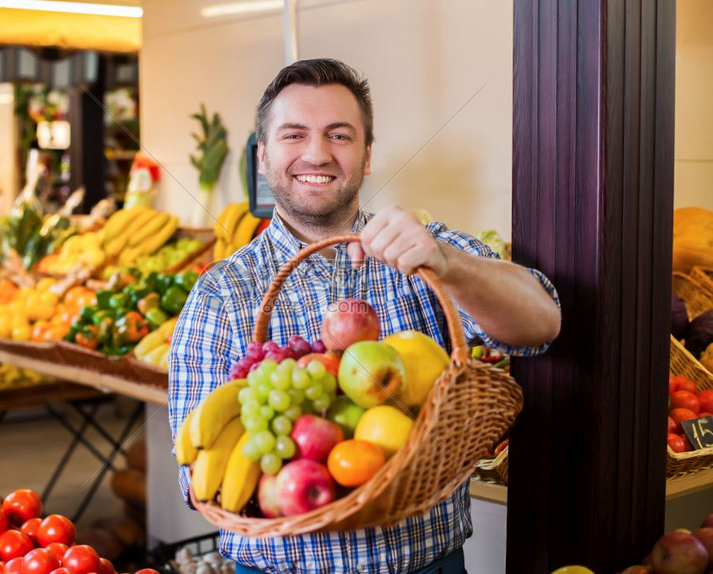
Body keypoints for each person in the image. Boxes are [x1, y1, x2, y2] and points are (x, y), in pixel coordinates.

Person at [169, 58, 561, 574]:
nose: (317, 153)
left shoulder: (421, 251)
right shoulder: (222, 294)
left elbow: (542, 322)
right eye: (293, 135)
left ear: (367, 154)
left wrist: (448, 264)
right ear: (262, 156)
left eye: (339, 135)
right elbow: (198, 480)